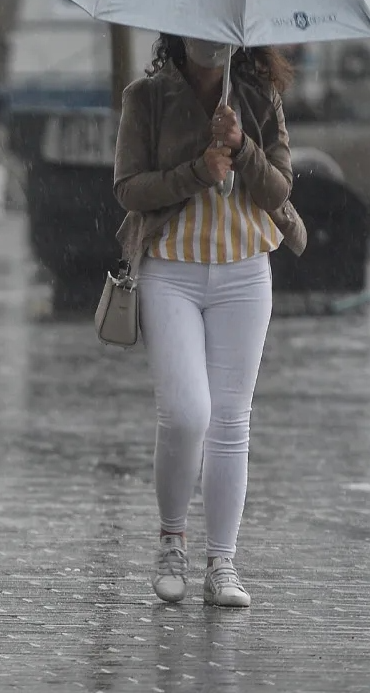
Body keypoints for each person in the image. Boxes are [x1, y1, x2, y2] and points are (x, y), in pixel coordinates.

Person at [113, 34, 307, 608]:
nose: (212, 46)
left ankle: (222, 560)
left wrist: (242, 145)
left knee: (230, 421)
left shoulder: (258, 94)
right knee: (185, 412)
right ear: (179, 33)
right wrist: (199, 169)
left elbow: (279, 186)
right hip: (170, 268)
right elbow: (129, 188)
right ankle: (172, 539)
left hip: (245, 270)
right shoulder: (145, 97)